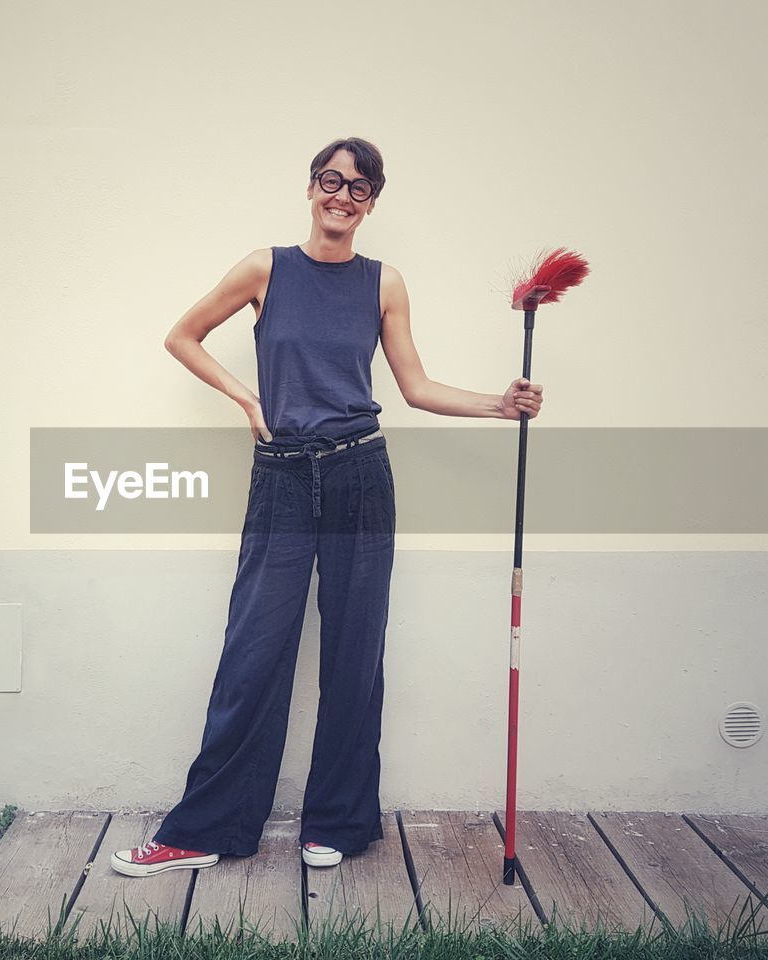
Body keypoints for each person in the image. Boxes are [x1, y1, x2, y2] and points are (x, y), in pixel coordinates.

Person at [111, 137, 542, 878]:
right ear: (311, 188)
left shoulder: (384, 284)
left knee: (354, 656)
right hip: (281, 477)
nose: (343, 196)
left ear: (373, 202)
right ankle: (208, 828)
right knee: (253, 654)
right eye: (331, 180)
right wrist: (247, 397)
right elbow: (182, 336)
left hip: (359, 478)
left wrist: (498, 407)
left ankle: (337, 821)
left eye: (360, 187)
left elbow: (414, 386)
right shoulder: (265, 267)